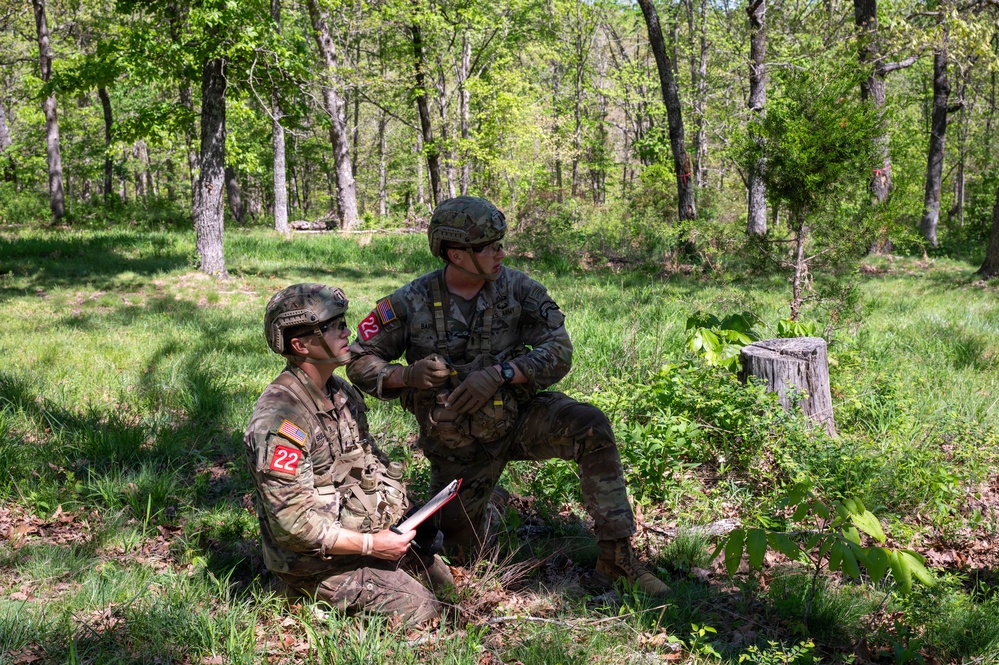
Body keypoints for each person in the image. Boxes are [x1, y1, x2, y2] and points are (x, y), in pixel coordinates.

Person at [346, 196, 669, 596]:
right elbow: (359, 359)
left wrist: (505, 373)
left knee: (590, 425)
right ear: (455, 254)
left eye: (500, 243)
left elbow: (559, 349)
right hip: (457, 448)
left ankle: (618, 560)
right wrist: (405, 375)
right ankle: (490, 503)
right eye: (489, 246)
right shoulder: (410, 301)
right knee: (460, 553)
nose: (501, 253)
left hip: (519, 422)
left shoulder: (518, 289)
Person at [244, 283, 446, 626]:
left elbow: (367, 462)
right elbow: (293, 525)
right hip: (315, 561)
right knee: (424, 611)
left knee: (443, 583)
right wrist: (371, 547)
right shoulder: (280, 422)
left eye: (343, 321)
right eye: (332, 326)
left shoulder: (341, 393)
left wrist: (406, 514)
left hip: (359, 533)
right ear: (301, 344)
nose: (346, 330)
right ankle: (296, 592)